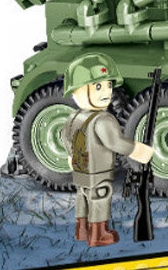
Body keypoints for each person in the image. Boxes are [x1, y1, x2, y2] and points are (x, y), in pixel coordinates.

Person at [61, 53, 153, 247]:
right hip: (99, 170)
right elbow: (115, 143)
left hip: (80, 169)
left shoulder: (73, 117)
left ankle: (81, 229)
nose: (106, 92)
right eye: (98, 87)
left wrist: (71, 156)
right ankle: (98, 233)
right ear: (78, 91)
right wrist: (138, 150)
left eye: (109, 86)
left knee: (82, 197)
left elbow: (65, 137)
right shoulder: (103, 120)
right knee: (99, 198)